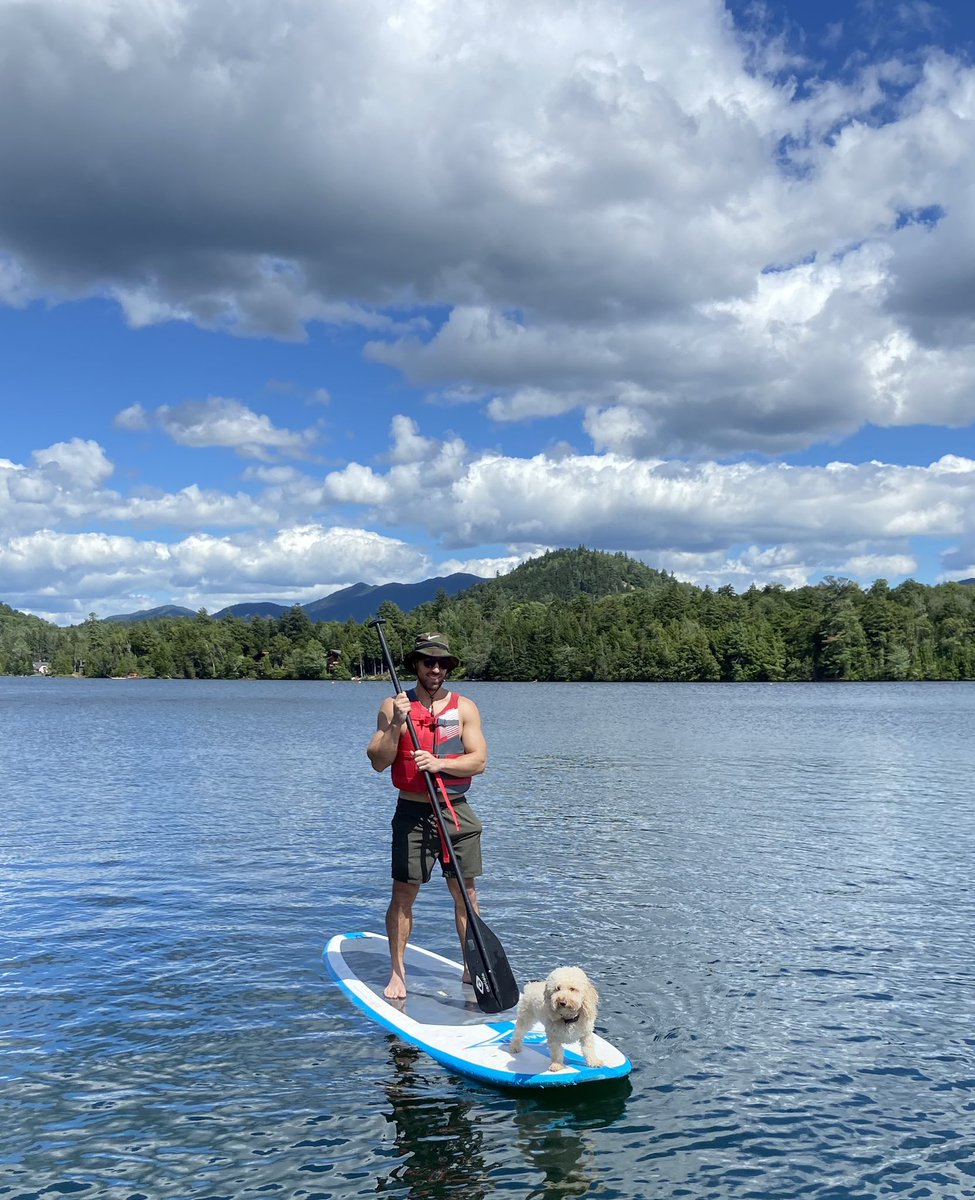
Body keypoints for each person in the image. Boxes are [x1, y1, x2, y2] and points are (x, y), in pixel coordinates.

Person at [367, 632, 488, 1000]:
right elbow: (377, 760)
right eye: (427, 662)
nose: (435, 668)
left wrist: (438, 763)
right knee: (403, 894)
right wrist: (396, 726)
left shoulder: (464, 708)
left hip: (455, 810)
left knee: (465, 894)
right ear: (416, 665)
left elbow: (479, 760)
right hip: (413, 811)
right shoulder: (394, 705)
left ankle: (472, 968)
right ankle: (397, 973)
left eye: (442, 663)